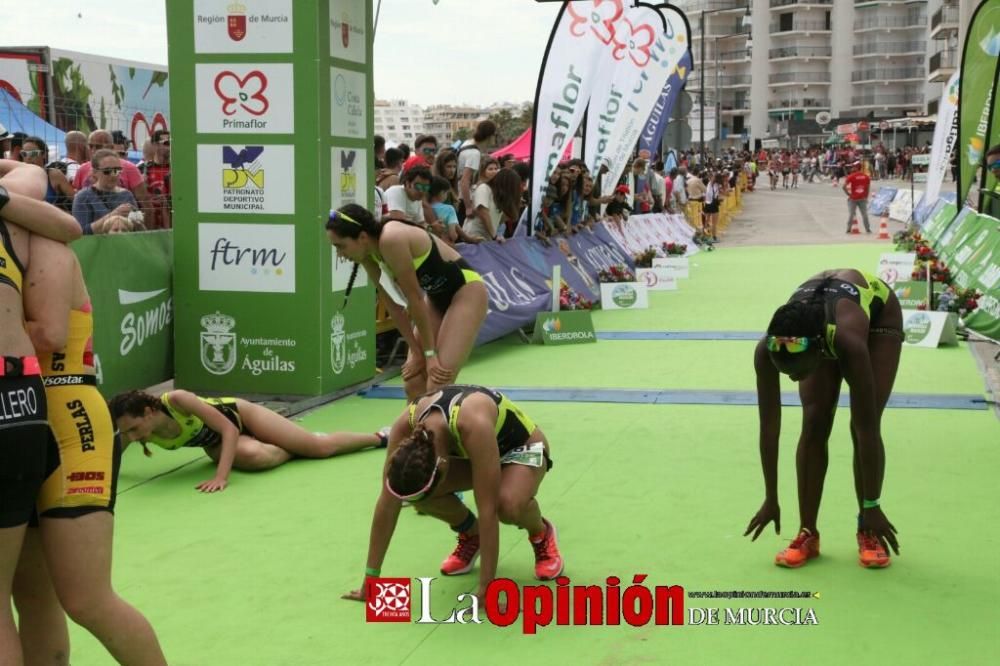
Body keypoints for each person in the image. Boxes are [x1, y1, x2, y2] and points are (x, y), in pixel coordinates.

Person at [14, 234, 166, 664]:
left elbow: (47, 334)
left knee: (86, 599)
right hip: (20, 421)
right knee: (32, 594)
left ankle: (374, 594)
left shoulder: (46, 245)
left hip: (70, 423)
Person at [342, 384, 564, 604]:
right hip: (472, 454)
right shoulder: (405, 426)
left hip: (520, 448)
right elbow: (388, 501)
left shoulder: (473, 424)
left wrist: (487, 589)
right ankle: (471, 535)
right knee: (416, 494)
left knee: (505, 505)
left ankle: (540, 533)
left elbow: (488, 511)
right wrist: (370, 581)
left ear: (442, 463)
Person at [745, 269, 903, 570]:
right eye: (786, 372)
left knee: (861, 424)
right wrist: (770, 498)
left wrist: (873, 506)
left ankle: (867, 527)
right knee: (814, 422)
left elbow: (868, 431)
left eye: (797, 372)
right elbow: (769, 429)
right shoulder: (768, 348)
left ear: (819, 348)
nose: (793, 378)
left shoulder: (848, 342)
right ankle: (807, 532)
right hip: (821, 319)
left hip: (879, 318)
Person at [0, 158, 82, 665]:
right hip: (27, 395)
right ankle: (374, 592)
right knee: (44, 594)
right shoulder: (21, 222)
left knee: (84, 599)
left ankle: (378, 598)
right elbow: (62, 218)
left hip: (45, 401)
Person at [327, 204, 488, 400]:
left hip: (467, 291)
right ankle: (416, 430)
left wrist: (429, 355)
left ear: (361, 237)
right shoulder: (367, 256)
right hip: (436, 299)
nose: (339, 254)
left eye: (340, 246)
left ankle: (436, 428)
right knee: (413, 382)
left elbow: (415, 299)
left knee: (437, 383)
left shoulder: (391, 239)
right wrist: (416, 351)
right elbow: (394, 307)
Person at [108, 389, 388, 492]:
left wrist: (221, 477)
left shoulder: (178, 401)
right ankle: (293, 447)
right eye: (128, 433)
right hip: (215, 444)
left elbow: (229, 429)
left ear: (148, 412)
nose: (133, 437)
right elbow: (112, 457)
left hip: (241, 418)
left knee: (319, 449)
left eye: (133, 429)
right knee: (256, 458)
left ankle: (379, 437)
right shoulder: (139, 430)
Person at [71, 149, 139, 235]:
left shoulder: (127, 195)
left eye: (117, 170)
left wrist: (137, 220)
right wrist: (114, 214)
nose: (113, 175)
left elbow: (138, 230)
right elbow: (81, 232)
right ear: (95, 172)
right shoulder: (83, 197)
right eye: (107, 171)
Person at [843, 161, 871, 233]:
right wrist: (866, 197)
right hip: (862, 198)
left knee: (851, 214)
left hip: (853, 199)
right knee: (864, 214)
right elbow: (867, 189)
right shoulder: (866, 177)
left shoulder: (851, 176)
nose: (852, 168)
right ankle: (867, 229)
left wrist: (849, 194)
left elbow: (843, 187)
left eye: (853, 167)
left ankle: (848, 229)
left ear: (856, 167)